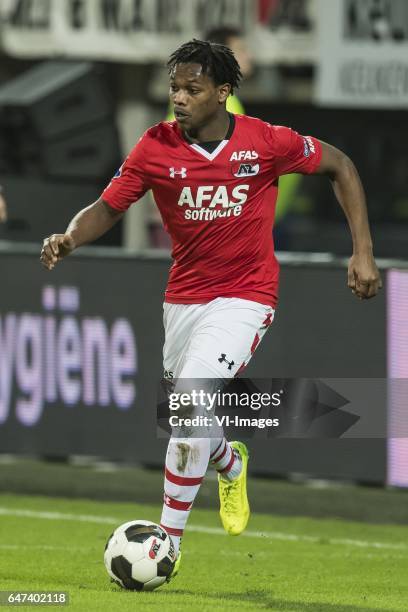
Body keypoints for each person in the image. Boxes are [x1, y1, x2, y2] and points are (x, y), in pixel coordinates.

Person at [40, 39, 382, 580]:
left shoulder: (266, 142)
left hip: (246, 295)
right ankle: (229, 459)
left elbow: (341, 166)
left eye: (192, 89)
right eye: (174, 87)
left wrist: (362, 251)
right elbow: (109, 206)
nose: (179, 98)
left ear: (222, 93)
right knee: (187, 417)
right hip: (183, 300)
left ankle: (165, 544)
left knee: (193, 400)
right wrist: (70, 236)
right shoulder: (154, 147)